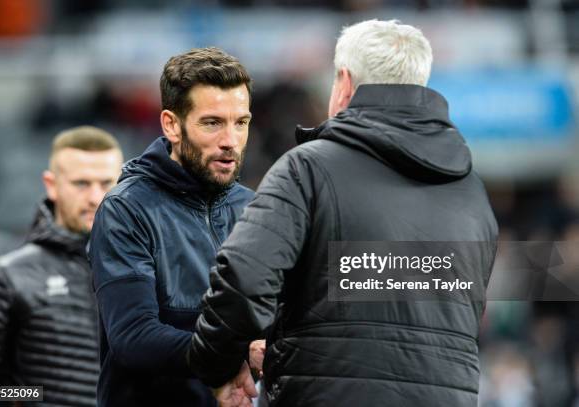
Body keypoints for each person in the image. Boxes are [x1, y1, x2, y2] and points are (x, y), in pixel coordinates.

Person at [187, 19, 499, 406]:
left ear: (345, 84)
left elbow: (244, 279)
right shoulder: (472, 191)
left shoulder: (308, 168)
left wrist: (214, 364)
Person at [89, 47, 259, 407]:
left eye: (240, 122)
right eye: (212, 122)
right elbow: (134, 337)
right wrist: (230, 356)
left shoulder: (254, 208)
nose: (230, 140)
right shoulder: (126, 209)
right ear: (171, 124)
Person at [0, 126, 123, 406]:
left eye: (106, 183)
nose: (94, 197)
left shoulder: (149, 270)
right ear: (51, 185)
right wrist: (34, 396)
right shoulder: (7, 276)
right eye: (81, 184)